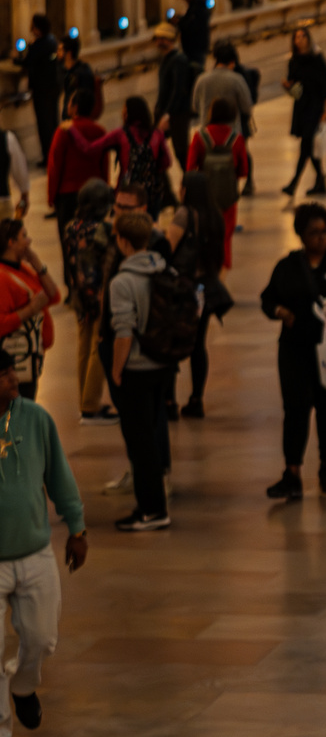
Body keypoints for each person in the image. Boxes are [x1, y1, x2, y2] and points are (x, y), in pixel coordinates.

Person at [0, 347, 88, 737]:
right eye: (2, 375)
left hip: (34, 552)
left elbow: (59, 475)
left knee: (42, 639)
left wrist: (77, 527)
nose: (12, 379)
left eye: (11, 371)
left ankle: (23, 685)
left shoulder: (35, 419)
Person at [260, 202, 326, 500]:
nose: (321, 238)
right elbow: (268, 299)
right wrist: (280, 311)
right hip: (295, 350)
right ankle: (291, 471)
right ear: (301, 235)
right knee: (295, 410)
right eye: (314, 233)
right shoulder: (288, 266)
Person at [102, 212, 172, 530]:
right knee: (150, 435)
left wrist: (116, 371)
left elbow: (123, 331)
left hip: (136, 368)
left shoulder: (122, 281)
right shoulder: (163, 268)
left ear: (123, 241)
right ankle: (155, 504)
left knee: (139, 440)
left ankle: (152, 510)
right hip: (162, 364)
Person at [164, 172, 227, 421]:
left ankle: (169, 401)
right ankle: (196, 399)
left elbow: (169, 247)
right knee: (198, 344)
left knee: (173, 342)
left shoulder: (184, 214)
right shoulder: (215, 216)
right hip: (205, 288)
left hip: (183, 288)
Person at [59, 181, 117, 422]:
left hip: (78, 293)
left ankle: (85, 400)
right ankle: (91, 405)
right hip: (99, 293)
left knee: (84, 345)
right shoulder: (104, 229)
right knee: (100, 346)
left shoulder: (70, 227)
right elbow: (109, 264)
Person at [45, 89, 109, 265]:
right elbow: (104, 163)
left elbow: (54, 166)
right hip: (96, 193)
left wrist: (51, 196)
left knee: (69, 243)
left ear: (75, 107)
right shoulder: (100, 131)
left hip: (68, 196)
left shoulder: (64, 131)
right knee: (97, 239)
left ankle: (72, 283)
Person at [185, 99, 249, 269]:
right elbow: (244, 171)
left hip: (204, 196)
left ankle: (205, 267)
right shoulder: (236, 139)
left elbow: (190, 168)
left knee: (204, 233)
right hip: (228, 196)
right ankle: (223, 268)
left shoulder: (200, 137)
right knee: (226, 236)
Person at [0, 220, 60, 399]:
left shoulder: (23, 269)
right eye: (24, 236)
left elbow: (53, 296)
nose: (29, 240)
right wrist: (32, 309)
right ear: (11, 242)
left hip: (30, 358)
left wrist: (37, 264)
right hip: (16, 363)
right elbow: (2, 324)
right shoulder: (3, 278)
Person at [280, 27, 326, 196]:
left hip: (315, 105)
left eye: (303, 36)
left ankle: (294, 183)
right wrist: (288, 87)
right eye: (297, 37)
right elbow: (295, 88)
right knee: (309, 146)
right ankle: (320, 180)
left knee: (306, 146)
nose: (300, 40)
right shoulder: (294, 61)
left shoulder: (317, 59)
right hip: (302, 106)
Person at [151, 22, 196, 170]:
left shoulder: (178, 60)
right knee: (154, 148)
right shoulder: (166, 59)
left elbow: (179, 89)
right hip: (165, 111)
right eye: (158, 38)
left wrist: (167, 115)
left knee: (181, 150)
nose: (159, 42)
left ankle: (190, 182)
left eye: (163, 38)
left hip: (177, 113)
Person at [20, 15, 61, 167]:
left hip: (42, 90)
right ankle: (55, 155)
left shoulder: (38, 45)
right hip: (53, 87)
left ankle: (48, 157)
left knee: (45, 125)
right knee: (53, 122)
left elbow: (27, 62)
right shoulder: (52, 41)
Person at [189, 42, 254, 139]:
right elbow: (247, 107)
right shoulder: (236, 79)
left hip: (207, 136)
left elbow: (195, 106)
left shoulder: (201, 80)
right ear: (232, 62)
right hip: (231, 136)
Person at [55, 37, 96, 120]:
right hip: (68, 117)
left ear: (69, 53)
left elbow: (86, 100)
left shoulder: (83, 72)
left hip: (78, 120)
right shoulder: (64, 70)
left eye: (60, 50)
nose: (57, 53)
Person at [176, 0, 212, 65]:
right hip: (194, 48)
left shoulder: (198, 8)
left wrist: (179, 22)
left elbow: (192, 26)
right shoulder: (195, 7)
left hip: (195, 48)